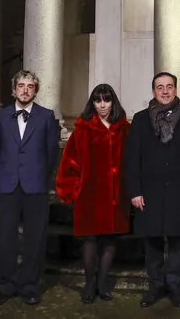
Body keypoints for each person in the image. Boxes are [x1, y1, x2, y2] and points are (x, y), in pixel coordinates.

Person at [125, 72, 180, 309]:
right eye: (160, 87)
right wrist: (135, 191)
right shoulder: (140, 119)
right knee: (153, 244)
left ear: (176, 90)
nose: (165, 91)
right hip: (149, 192)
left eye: (170, 87)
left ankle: (175, 288)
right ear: (153, 91)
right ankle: (155, 287)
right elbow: (132, 159)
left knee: (178, 242)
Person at [0, 70, 59, 307]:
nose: (25, 90)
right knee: (4, 238)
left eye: (30, 86)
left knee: (35, 238)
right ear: (13, 90)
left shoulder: (47, 117)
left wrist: (38, 175)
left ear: (35, 91)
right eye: (21, 86)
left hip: (36, 185)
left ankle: (30, 285)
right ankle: (5, 285)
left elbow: (51, 154)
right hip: (8, 184)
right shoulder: (1, 116)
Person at [55, 83, 131, 304]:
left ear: (113, 102)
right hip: (89, 194)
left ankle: (102, 284)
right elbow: (69, 162)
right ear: (93, 103)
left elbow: (132, 161)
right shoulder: (82, 129)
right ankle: (89, 283)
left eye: (106, 100)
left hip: (117, 195)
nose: (102, 105)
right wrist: (72, 190)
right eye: (98, 100)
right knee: (89, 239)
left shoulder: (124, 129)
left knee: (110, 240)